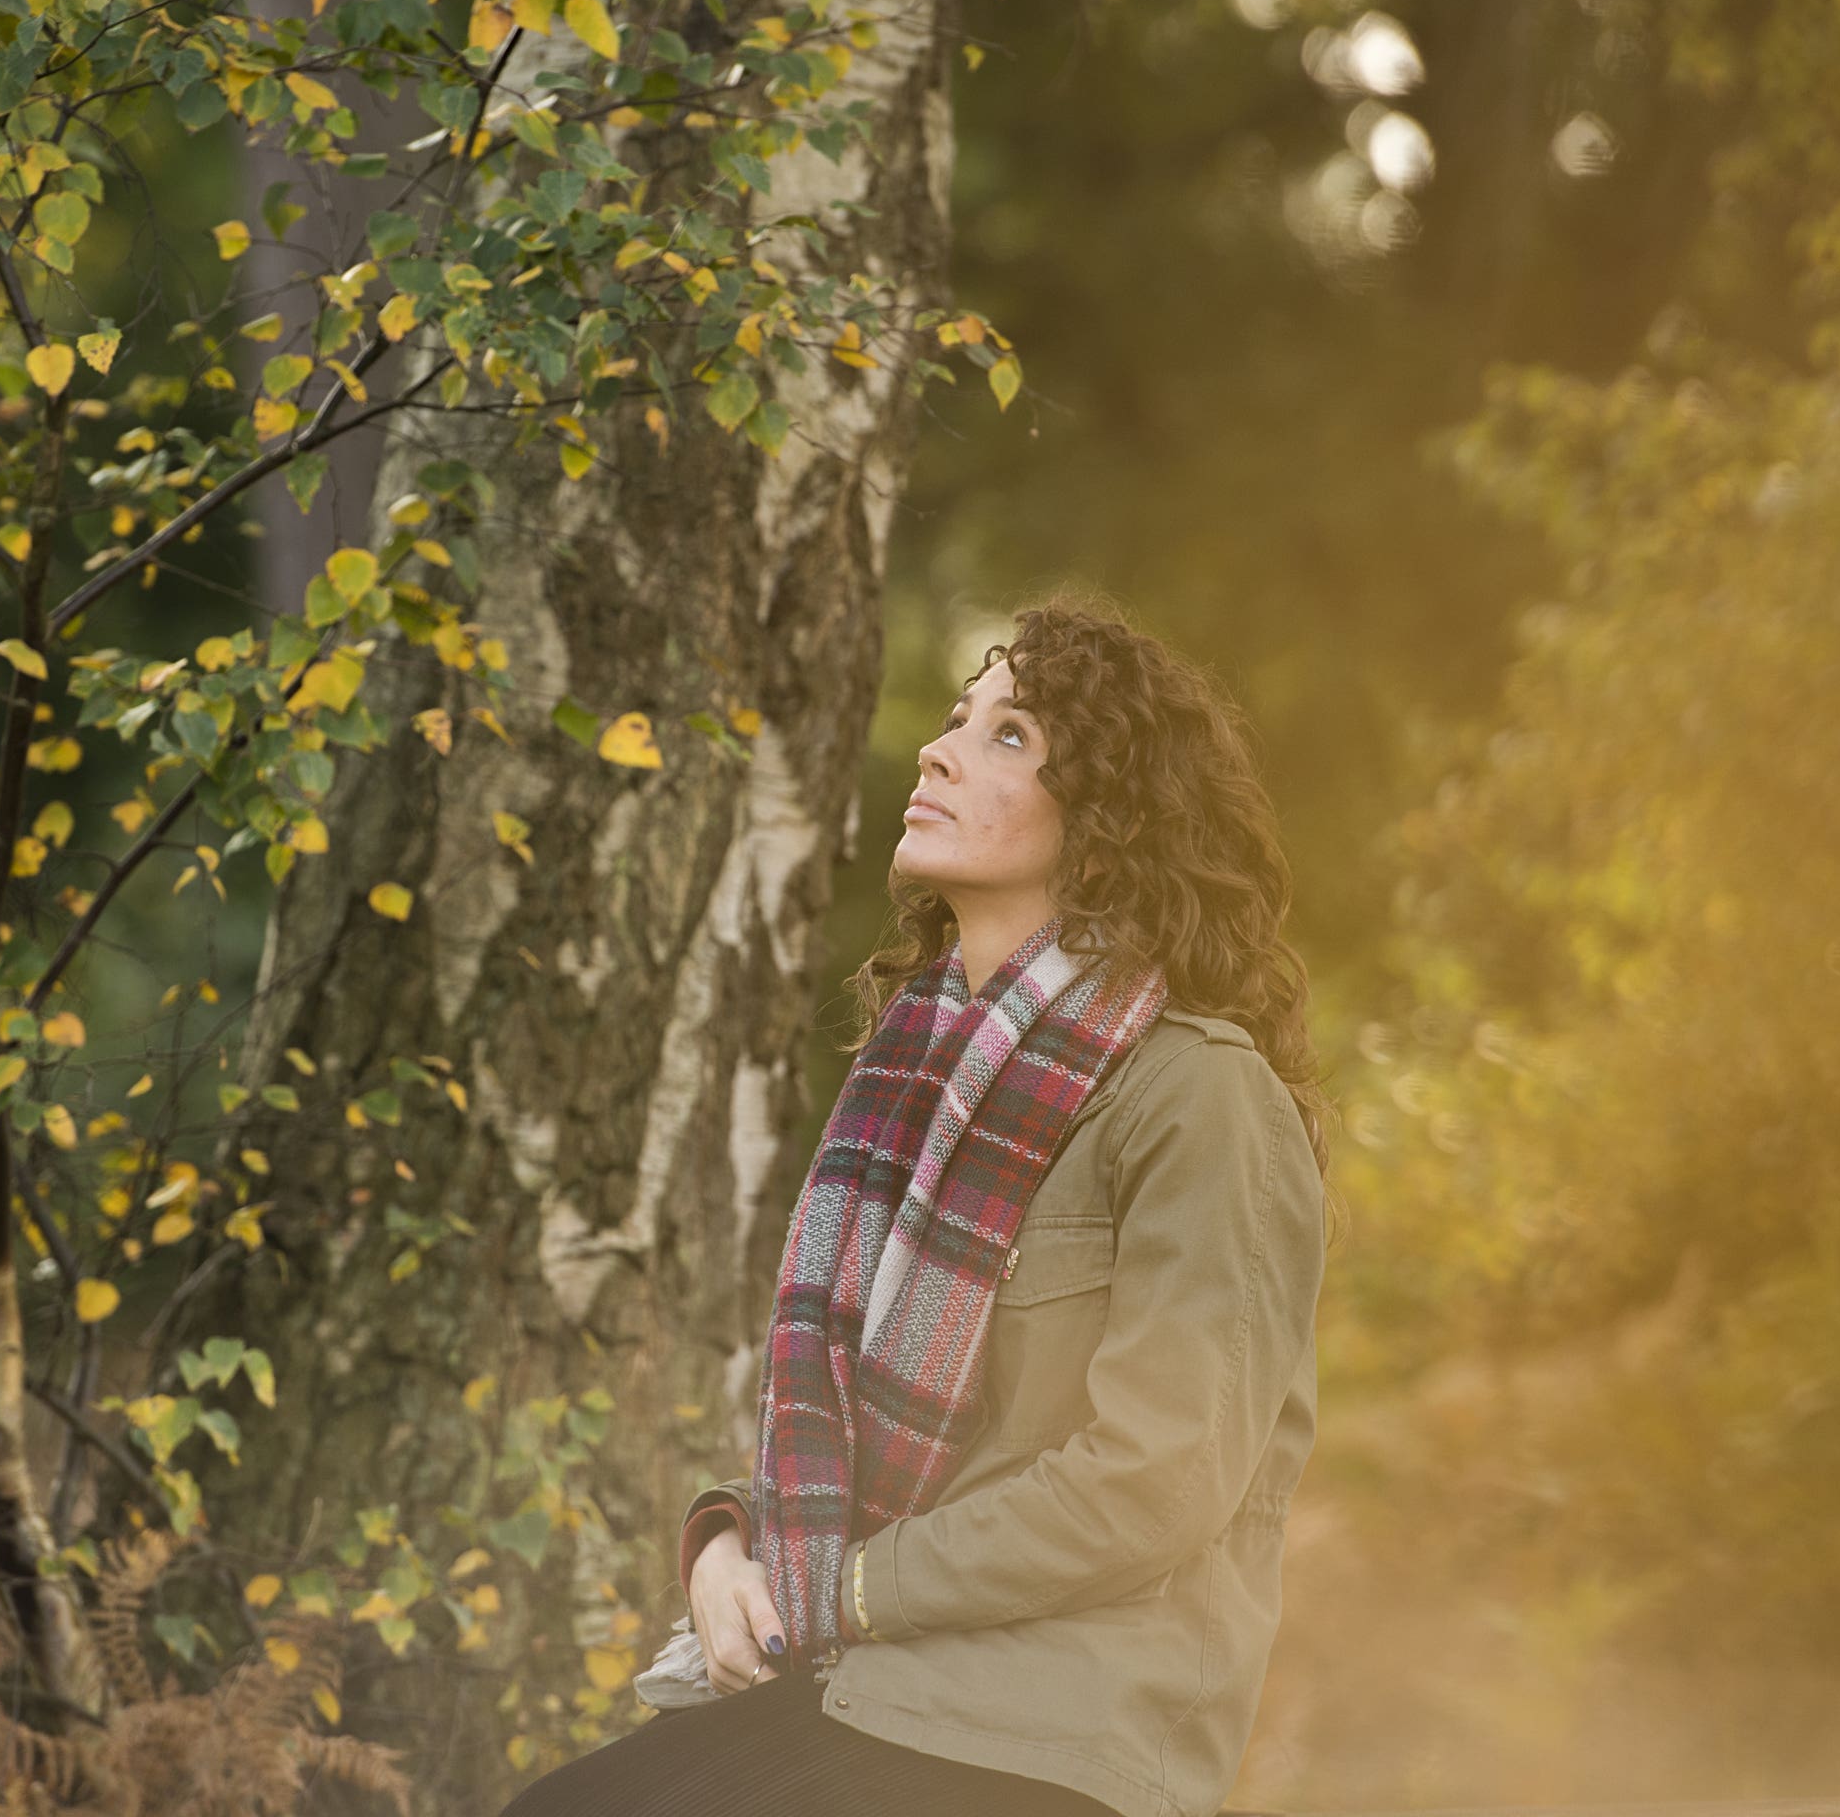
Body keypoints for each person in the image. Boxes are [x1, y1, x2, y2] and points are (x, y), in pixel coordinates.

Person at [500, 592, 1334, 1817]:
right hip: (879, 1683)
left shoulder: (1201, 1094)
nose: (941, 748)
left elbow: (1159, 1478)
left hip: (1061, 1732)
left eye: (1009, 736)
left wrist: (841, 1587)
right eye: (956, 719)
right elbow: (869, 1422)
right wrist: (734, 1544)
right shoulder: (917, 1084)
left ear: (1104, 823)